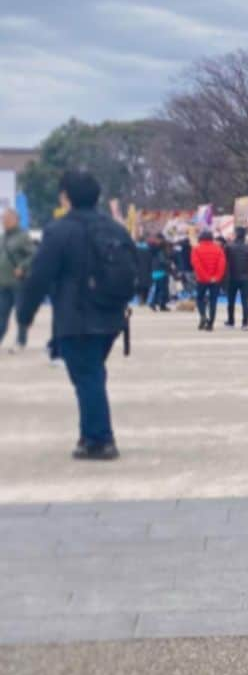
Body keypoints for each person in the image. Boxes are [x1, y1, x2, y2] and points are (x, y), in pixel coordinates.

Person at [17, 170, 136, 459]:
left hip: (77, 316)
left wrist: (25, 313)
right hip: (111, 314)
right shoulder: (115, 228)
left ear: (66, 196)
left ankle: (100, 439)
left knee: (87, 376)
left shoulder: (59, 230)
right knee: (92, 373)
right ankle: (89, 434)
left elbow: (40, 276)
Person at [0, 208, 34, 353]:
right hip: (3, 283)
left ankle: (21, 341)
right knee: (1, 314)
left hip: (19, 283)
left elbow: (33, 255)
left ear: (15, 220)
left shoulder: (23, 237)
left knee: (21, 313)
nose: (3, 221)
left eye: (6, 218)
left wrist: (22, 267)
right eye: (2, 218)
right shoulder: (2, 237)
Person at [192, 229, 226, 330]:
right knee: (213, 301)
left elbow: (197, 265)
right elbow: (222, 265)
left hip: (201, 280)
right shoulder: (218, 249)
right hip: (215, 280)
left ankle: (203, 316)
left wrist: (205, 277)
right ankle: (210, 324)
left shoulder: (196, 250)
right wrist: (216, 277)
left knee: (200, 298)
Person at [224, 227, 248, 329]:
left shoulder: (229, 246)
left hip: (232, 276)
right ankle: (245, 322)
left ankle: (231, 321)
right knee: (245, 301)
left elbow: (226, 261)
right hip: (245, 277)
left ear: (236, 234)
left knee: (231, 300)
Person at [148, 235, 172, 310]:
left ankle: (156, 303)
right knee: (162, 289)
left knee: (158, 288)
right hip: (162, 271)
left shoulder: (154, 249)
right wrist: (169, 263)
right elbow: (162, 261)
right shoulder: (161, 250)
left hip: (155, 271)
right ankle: (159, 304)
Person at [134, 234, 153, 306]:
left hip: (138, 270)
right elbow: (151, 260)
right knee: (146, 285)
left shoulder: (135, 249)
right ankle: (144, 299)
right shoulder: (148, 249)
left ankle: (140, 298)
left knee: (138, 285)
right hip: (147, 269)